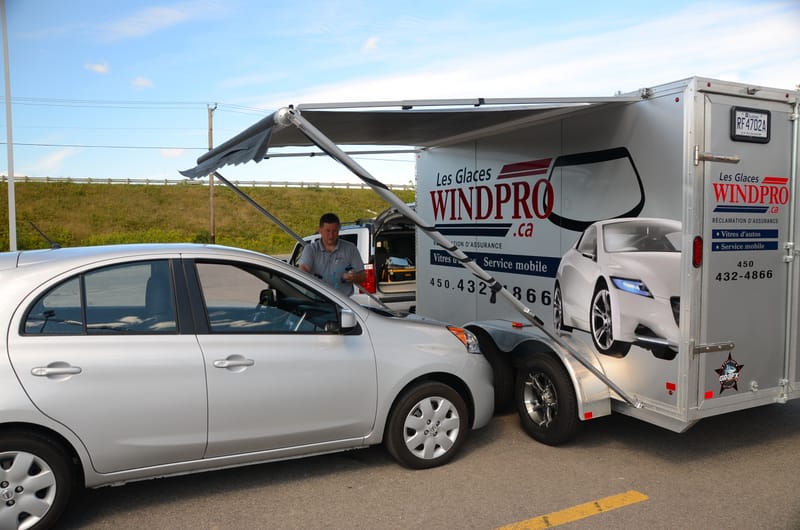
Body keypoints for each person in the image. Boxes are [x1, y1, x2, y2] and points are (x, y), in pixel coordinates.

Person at [298, 213, 366, 296]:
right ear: (320, 230)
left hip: (344, 301)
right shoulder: (310, 249)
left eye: (334, 231)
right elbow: (303, 269)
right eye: (328, 231)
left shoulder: (350, 248)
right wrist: (305, 272)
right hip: (317, 301)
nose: (331, 235)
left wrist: (354, 277)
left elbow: (363, 276)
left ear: (339, 230)